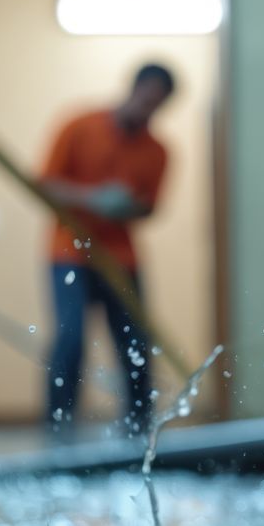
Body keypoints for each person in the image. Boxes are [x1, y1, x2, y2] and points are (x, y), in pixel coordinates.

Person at [38, 64, 176, 437]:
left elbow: (150, 207)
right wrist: (90, 198)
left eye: (157, 105)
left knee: (135, 342)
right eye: (146, 98)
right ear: (133, 89)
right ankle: (59, 427)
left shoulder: (158, 152)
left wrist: (127, 207)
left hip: (121, 259)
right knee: (70, 337)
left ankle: (139, 427)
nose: (148, 109)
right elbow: (44, 183)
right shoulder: (78, 126)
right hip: (69, 252)